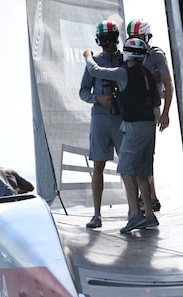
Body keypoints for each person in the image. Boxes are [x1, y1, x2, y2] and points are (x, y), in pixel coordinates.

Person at [83, 38, 161, 233]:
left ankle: (135, 215)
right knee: (142, 172)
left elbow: (95, 71)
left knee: (126, 170)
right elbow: (156, 101)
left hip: (134, 127)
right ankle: (149, 216)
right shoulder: (148, 75)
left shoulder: (123, 73)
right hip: (149, 126)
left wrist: (88, 56)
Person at [79, 20, 123, 229]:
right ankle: (96, 214)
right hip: (100, 117)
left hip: (122, 118)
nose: (108, 43)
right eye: (104, 39)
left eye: (111, 38)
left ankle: (136, 209)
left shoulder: (125, 59)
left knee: (128, 165)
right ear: (99, 40)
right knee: (99, 165)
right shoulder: (93, 62)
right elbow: (83, 92)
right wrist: (98, 99)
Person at [126, 19, 173, 212]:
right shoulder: (128, 52)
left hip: (150, 108)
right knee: (139, 154)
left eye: (139, 37)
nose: (137, 41)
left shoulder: (156, 55)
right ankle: (149, 197)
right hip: (132, 109)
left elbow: (168, 84)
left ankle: (151, 197)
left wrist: (166, 113)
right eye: (133, 37)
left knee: (144, 153)